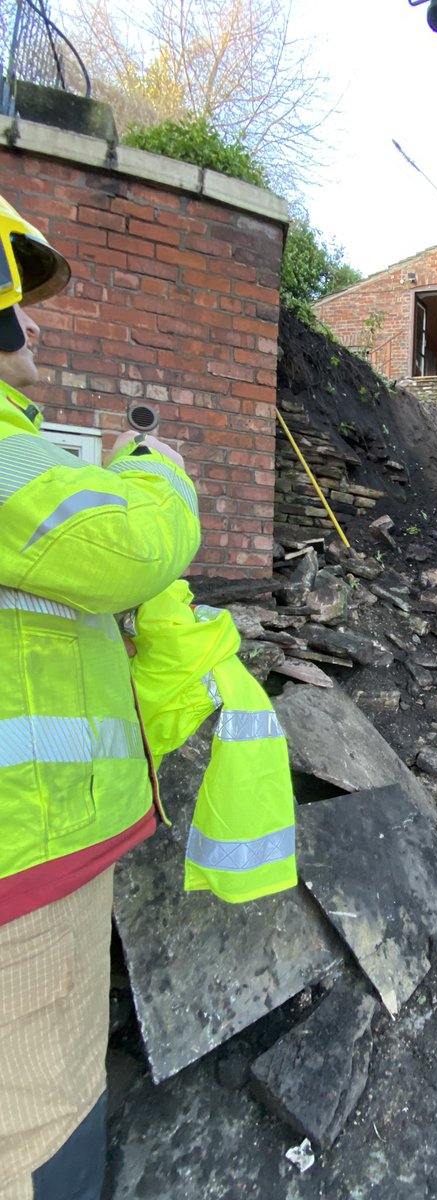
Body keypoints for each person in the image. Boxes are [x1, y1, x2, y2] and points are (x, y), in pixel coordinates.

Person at [0, 195, 201, 1199]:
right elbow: (120, 552)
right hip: (23, 865)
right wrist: (161, 477)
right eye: (15, 298)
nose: (34, 323)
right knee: (40, 1129)